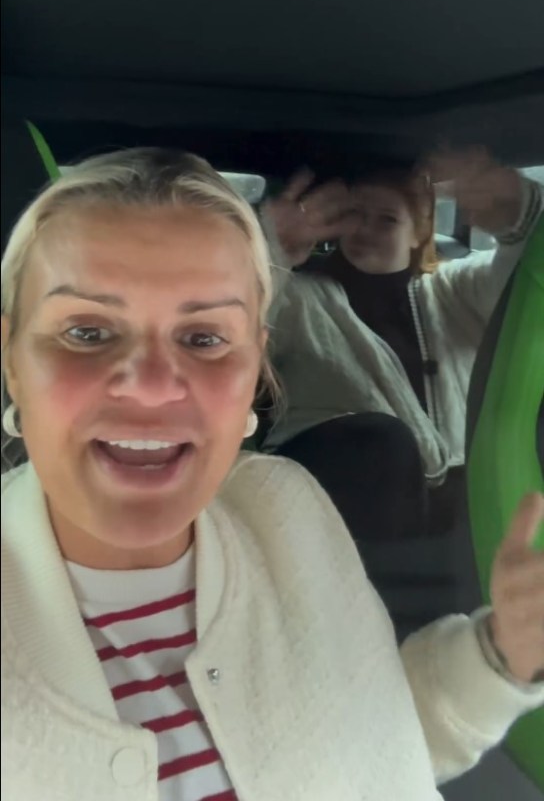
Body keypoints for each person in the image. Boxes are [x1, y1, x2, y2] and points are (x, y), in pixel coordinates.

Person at [1, 147, 543, 801]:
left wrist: (500, 654)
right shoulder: (310, 303)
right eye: (87, 332)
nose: (148, 385)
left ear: (254, 365)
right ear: (11, 359)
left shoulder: (286, 511)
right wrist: (273, 239)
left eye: (203, 338)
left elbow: (369, 748)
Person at [260, 149, 543, 536]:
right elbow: (239, 321)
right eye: (355, 216)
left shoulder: (456, 290)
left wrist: (513, 210)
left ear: (419, 233)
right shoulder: (298, 297)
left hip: (462, 511)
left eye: (387, 219)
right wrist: (268, 251)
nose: (365, 230)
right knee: (382, 442)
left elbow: (528, 273)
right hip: (342, 499)